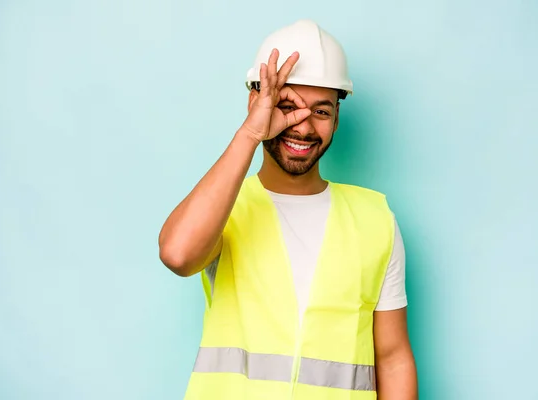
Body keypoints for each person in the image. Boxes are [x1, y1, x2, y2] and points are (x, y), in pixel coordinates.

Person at [158, 19, 418, 400]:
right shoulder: (224, 207)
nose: (303, 126)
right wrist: (250, 133)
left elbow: (393, 358)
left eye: (322, 111)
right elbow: (178, 254)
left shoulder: (374, 219)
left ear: (337, 116)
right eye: (287, 106)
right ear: (255, 102)